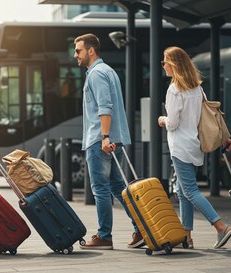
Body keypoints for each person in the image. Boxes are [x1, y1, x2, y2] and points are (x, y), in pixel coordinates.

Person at [158, 46, 231, 249]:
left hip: (180, 147)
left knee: (190, 191)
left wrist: (162, 120)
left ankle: (221, 227)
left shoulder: (174, 90)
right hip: (194, 145)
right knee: (183, 192)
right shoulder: (197, 88)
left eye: (165, 61)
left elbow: (173, 123)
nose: (163, 65)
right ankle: (187, 237)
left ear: (174, 65)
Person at [74, 33, 144, 250]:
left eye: (78, 50)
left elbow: (105, 107)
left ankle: (104, 236)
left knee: (101, 189)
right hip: (114, 139)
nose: (75, 55)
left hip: (101, 140)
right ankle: (140, 228)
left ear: (91, 50)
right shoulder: (109, 71)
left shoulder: (96, 74)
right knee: (118, 187)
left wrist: (104, 137)